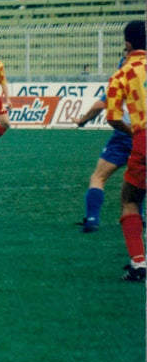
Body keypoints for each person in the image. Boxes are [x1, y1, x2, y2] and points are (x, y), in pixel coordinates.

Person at [72, 54, 132, 233]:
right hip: (143, 133)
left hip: (125, 134)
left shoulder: (123, 78)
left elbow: (100, 105)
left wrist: (82, 121)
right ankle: (139, 218)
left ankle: (92, 220)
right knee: (136, 181)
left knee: (98, 177)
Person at [105, 20, 146, 281]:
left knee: (130, 200)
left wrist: (132, 131)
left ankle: (139, 263)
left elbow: (112, 116)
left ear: (127, 44)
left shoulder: (122, 73)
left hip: (143, 139)